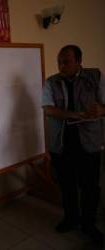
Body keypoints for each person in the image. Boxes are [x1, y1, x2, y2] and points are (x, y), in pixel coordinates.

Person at [42, 45, 105, 247]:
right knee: (67, 186)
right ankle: (70, 219)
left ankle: (88, 224)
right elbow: (49, 109)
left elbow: (104, 105)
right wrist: (74, 115)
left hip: (89, 144)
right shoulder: (51, 82)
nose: (61, 66)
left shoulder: (95, 77)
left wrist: (100, 110)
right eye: (59, 61)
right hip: (62, 144)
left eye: (66, 61)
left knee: (90, 188)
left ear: (79, 61)